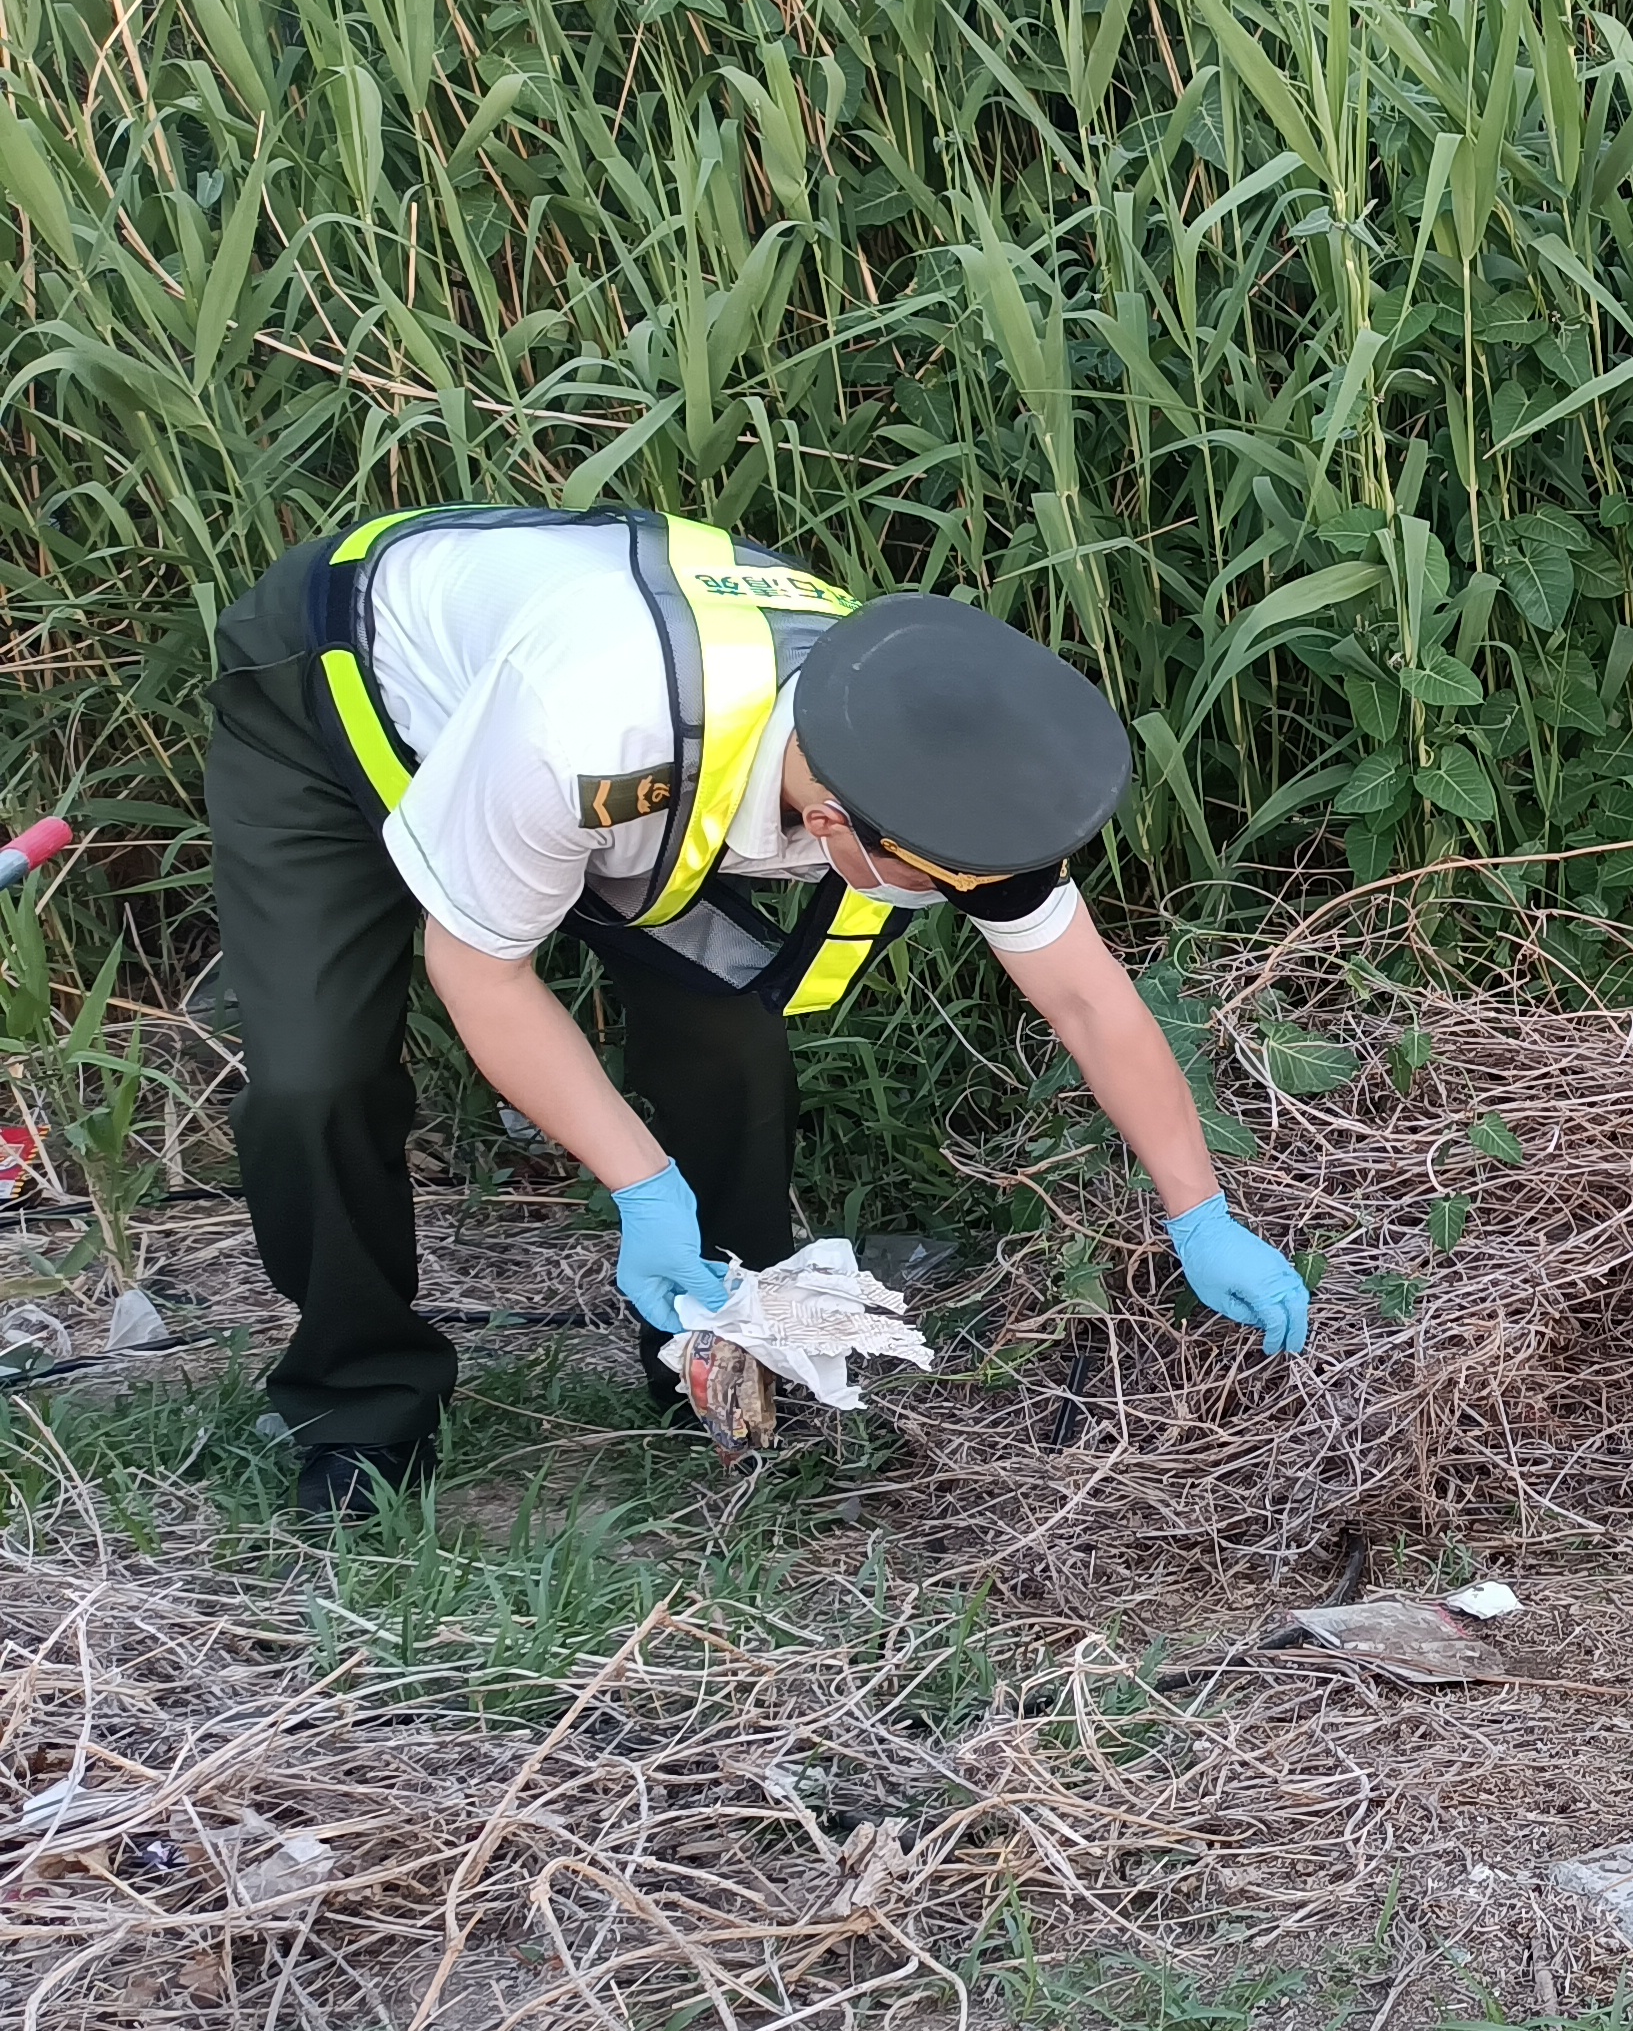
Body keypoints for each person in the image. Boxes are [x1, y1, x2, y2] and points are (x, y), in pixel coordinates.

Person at [205, 505, 1314, 1517]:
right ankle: (360, 1403)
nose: (957, 904)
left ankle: (712, 1349)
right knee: (317, 1074)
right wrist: (642, 1188)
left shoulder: (937, 757)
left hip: (615, 722)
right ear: (830, 826)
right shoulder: (585, 740)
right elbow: (483, 976)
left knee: (728, 1033)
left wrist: (1199, 1213)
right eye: (936, 887)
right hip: (346, 681)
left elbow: (1087, 998)